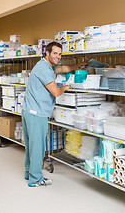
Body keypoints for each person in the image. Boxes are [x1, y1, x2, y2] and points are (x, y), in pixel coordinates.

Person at [22, 41, 88, 187]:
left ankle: (29, 173)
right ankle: (36, 179)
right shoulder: (45, 69)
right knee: (38, 148)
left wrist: (80, 65)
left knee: (31, 146)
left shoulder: (45, 65)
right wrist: (65, 86)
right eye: (55, 53)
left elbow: (64, 68)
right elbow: (56, 92)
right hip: (37, 113)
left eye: (60, 54)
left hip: (29, 110)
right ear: (47, 53)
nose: (58, 56)